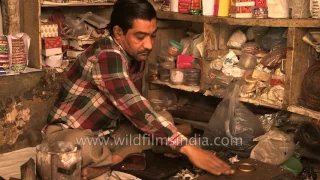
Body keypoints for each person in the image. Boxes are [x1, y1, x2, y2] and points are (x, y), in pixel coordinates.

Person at [43, 0, 234, 179]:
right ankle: (114, 159)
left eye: (152, 35)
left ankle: (108, 162)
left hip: (109, 135)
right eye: (140, 37)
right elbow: (135, 107)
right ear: (118, 33)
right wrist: (188, 148)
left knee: (164, 118)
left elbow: (139, 113)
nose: (149, 45)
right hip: (71, 135)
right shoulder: (106, 56)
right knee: (79, 147)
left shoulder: (135, 53)